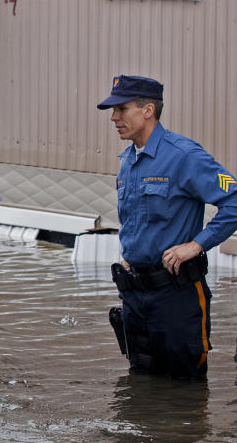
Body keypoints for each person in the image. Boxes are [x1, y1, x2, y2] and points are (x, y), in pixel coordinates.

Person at [97, 75, 237, 380]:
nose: (114, 117)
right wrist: (131, 254)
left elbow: (234, 200)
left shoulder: (184, 156)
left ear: (148, 110)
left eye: (121, 109)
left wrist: (196, 245)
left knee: (183, 389)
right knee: (141, 386)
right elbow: (137, 219)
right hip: (135, 296)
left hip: (177, 296)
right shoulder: (128, 161)